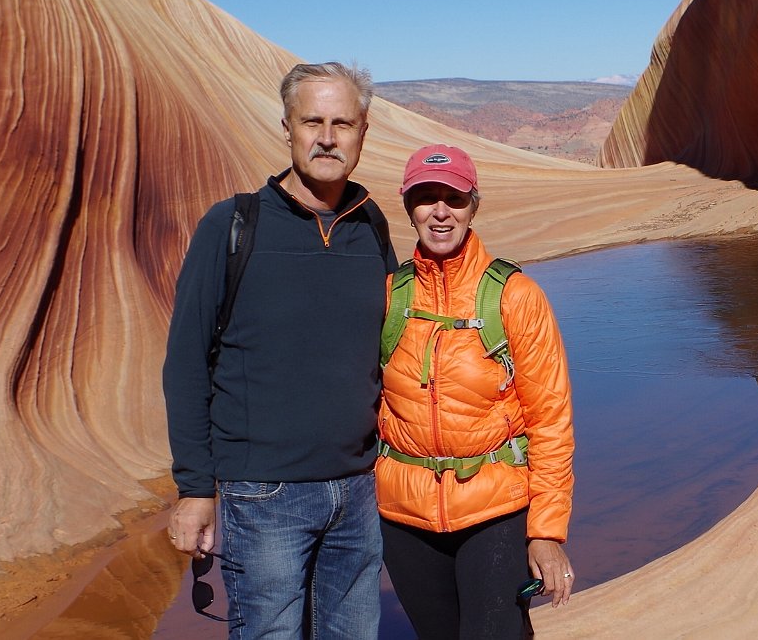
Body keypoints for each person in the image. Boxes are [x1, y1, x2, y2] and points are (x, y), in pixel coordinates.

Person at [162, 61, 397, 639]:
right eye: (311, 120)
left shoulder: (370, 225)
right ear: (286, 128)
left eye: (342, 122)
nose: (326, 136)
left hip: (359, 490)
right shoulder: (233, 225)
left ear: (363, 132)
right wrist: (195, 489)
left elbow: (395, 350)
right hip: (264, 494)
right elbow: (187, 362)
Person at [377, 144, 575, 639]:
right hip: (404, 517)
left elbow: (550, 420)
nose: (440, 212)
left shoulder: (514, 296)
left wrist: (546, 532)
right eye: (426, 197)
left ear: (474, 206)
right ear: (408, 206)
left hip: (496, 512)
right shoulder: (388, 295)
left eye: (455, 198)